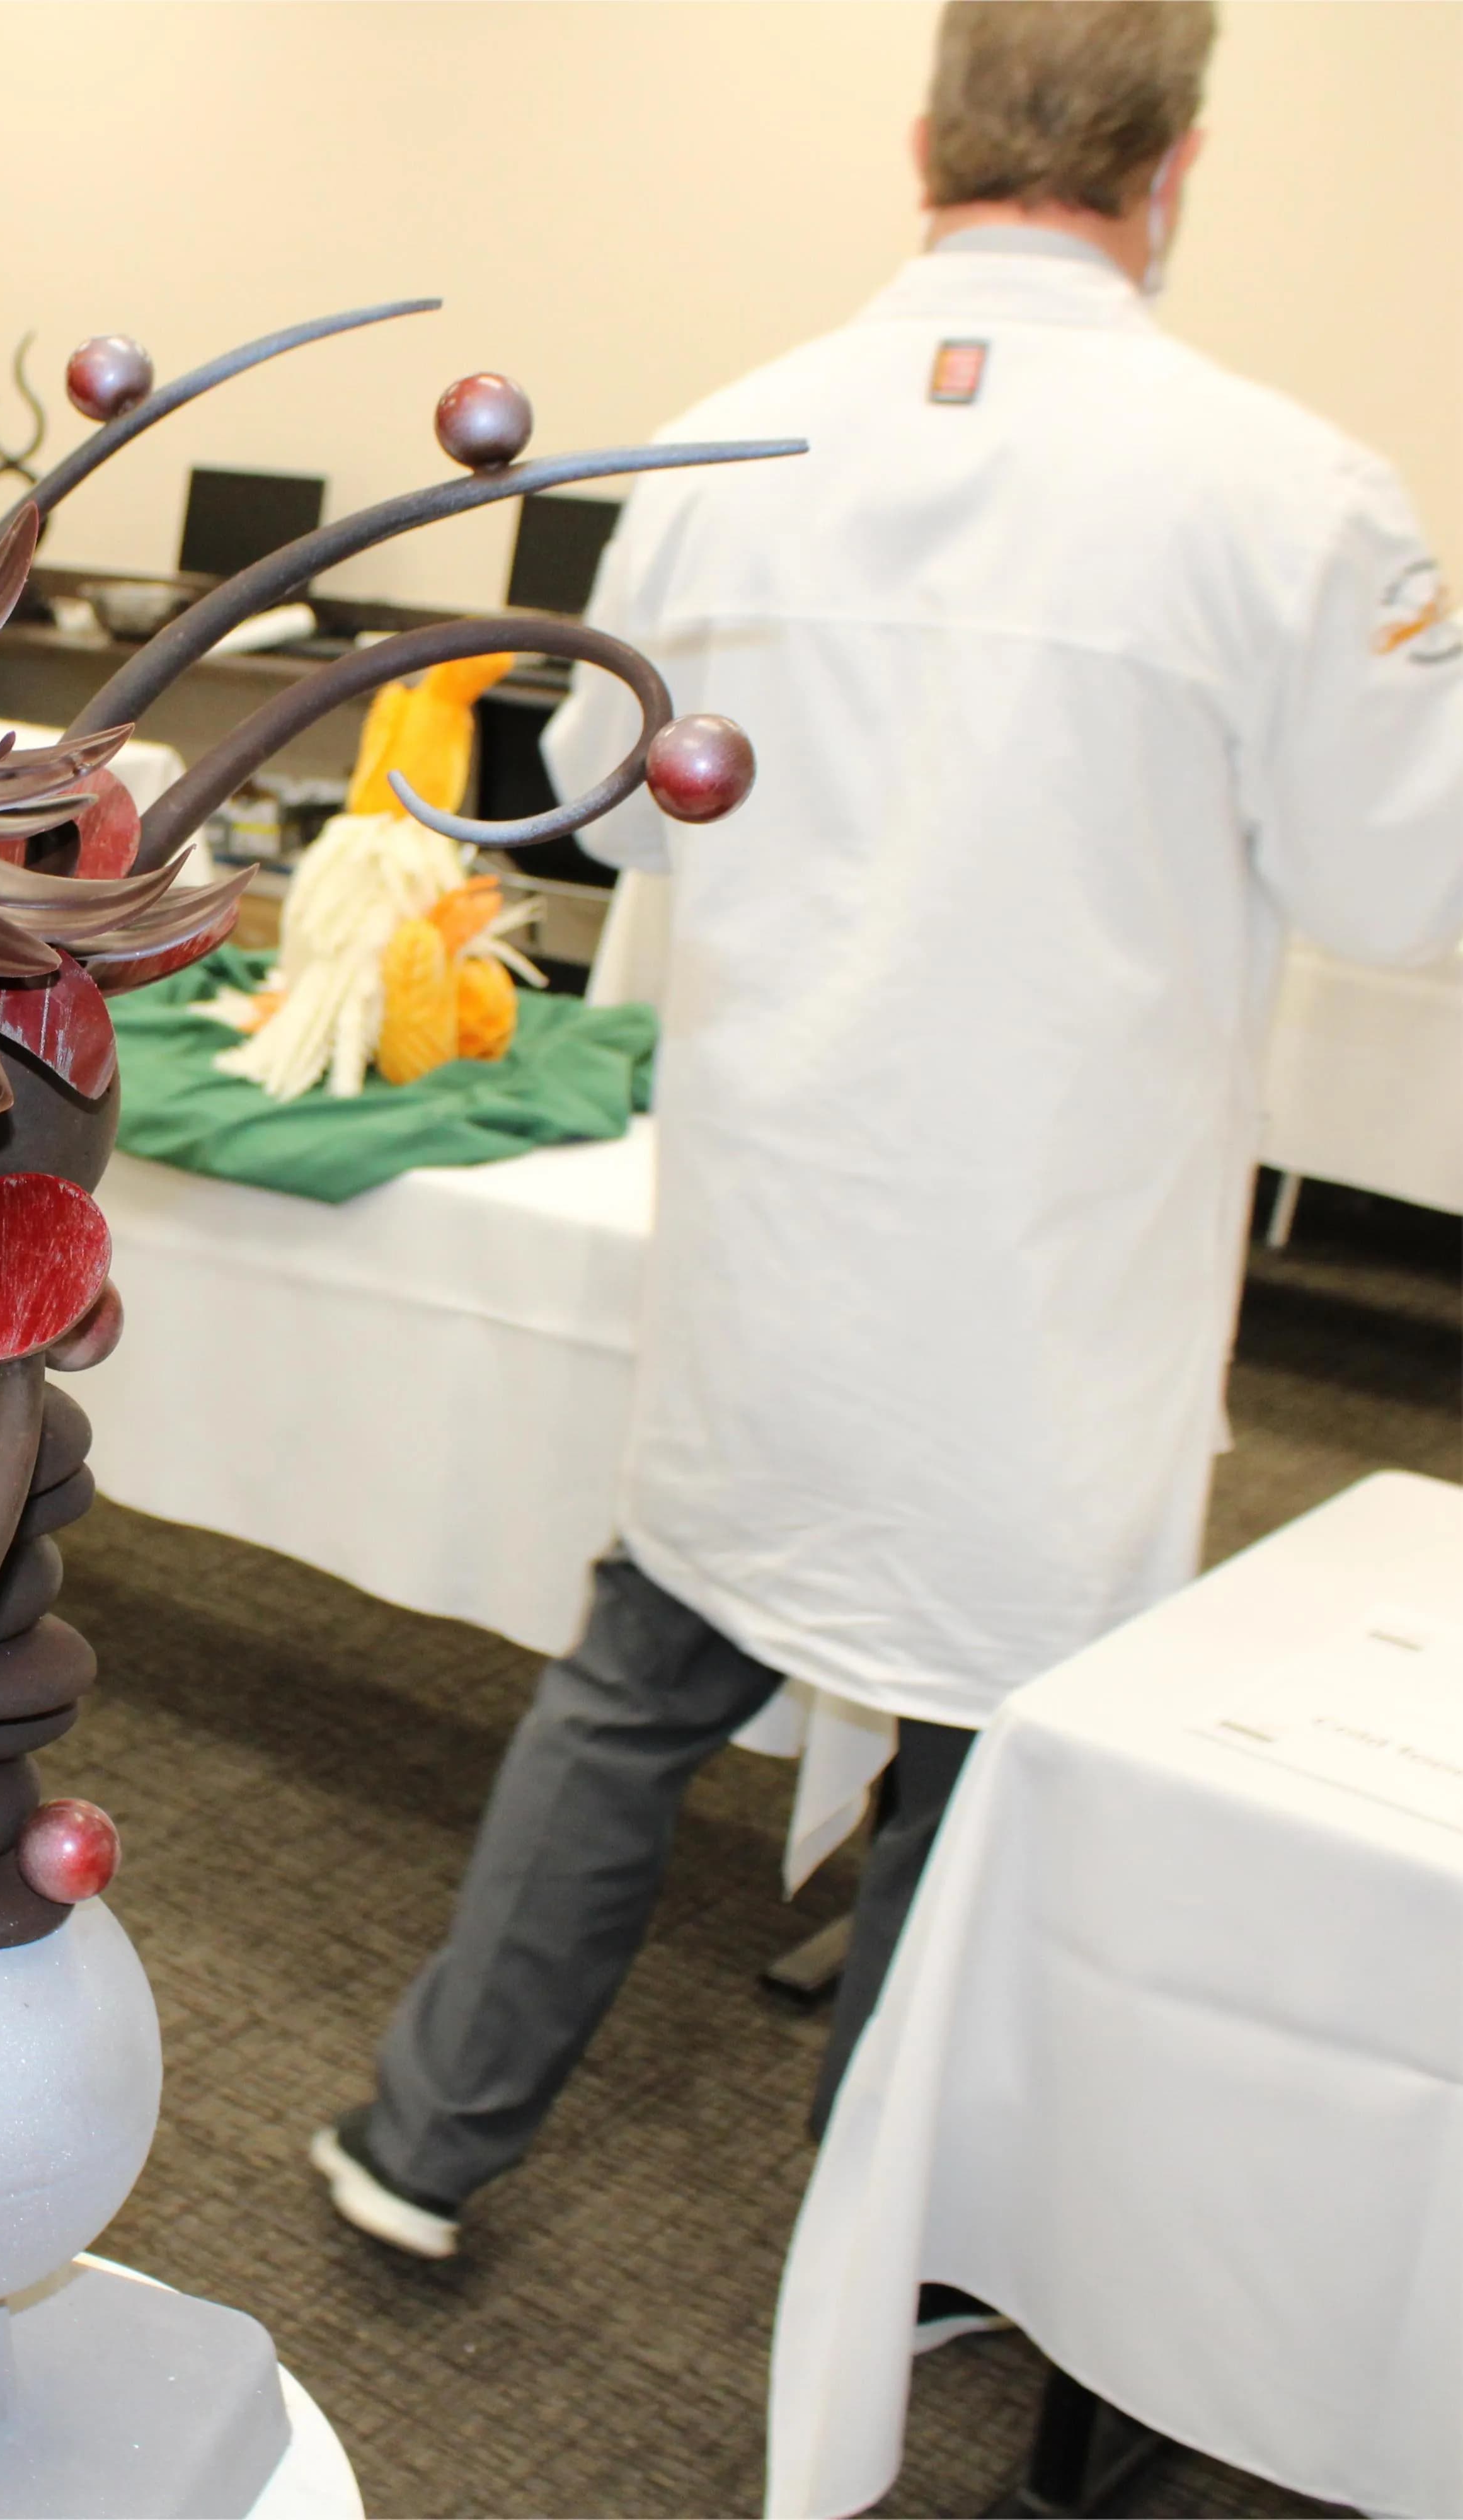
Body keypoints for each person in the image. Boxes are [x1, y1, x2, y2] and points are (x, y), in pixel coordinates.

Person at [313, 0, 1462, 2274]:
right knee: (982, 1748)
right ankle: (884, 2240)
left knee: (642, 1679)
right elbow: (1401, 889)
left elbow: (619, 844)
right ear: (1178, 168)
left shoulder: (729, 447)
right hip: (1052, 1289)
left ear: (921, 139)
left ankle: (424, 2142)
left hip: (776, 1245)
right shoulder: (1284, 491)